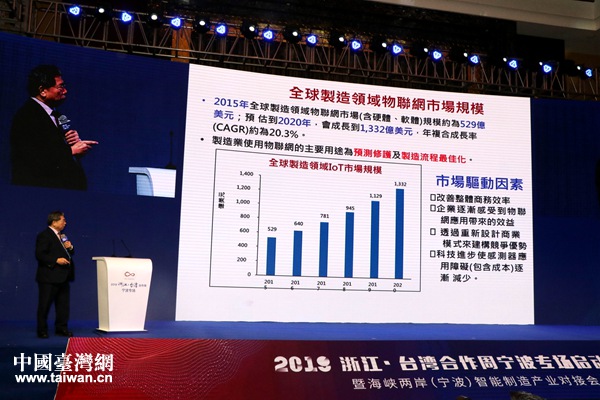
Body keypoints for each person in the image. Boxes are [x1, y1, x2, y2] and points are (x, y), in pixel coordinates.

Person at [10, 64, 98, 190]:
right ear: (42, 91)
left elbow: (54, 149)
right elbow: (33, 158)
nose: (65, 91)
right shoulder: (27, 116)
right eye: (60, 87)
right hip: (41, 192)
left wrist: (72, 144)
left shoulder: (58, 116)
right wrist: (71, 151)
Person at [35, 211, 76, 338]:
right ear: (54, 222)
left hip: (63, 276)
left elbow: (68, 254)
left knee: (63, 305)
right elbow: (40, 254)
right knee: (44, 305)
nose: (65, 223)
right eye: (63, 220)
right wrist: (56, 260)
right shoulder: (44, 235)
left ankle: (61, 328)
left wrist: (70, 247)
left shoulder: (62, 236)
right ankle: (42, 330)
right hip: (49, 277)